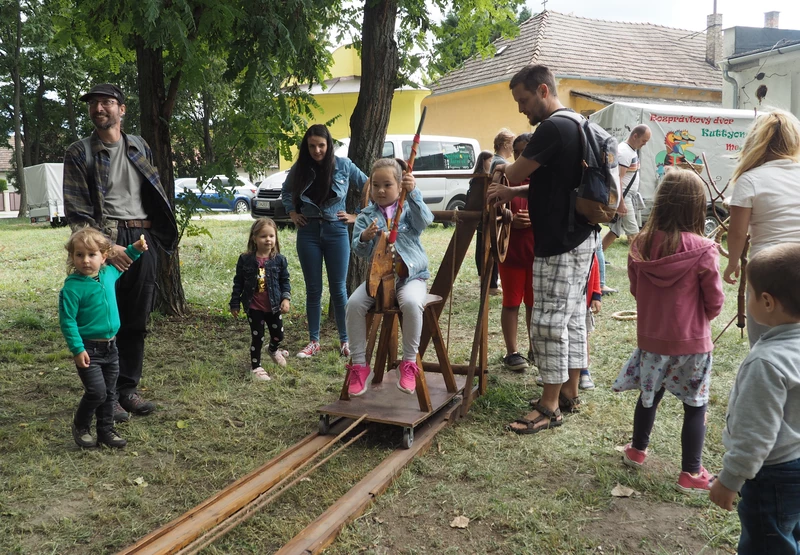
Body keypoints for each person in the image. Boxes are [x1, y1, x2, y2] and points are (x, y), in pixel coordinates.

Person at [488, 65, 598, 434]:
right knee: (571, 318)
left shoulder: (551, 127)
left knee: (548, 322)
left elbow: (517, 172)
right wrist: (514, 194)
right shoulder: (576, 123)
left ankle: (549, 406)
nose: (521, 109)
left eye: (523, 100)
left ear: (542, 90)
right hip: (581, 234)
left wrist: (502, 175)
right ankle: (569, 390)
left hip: (559, 241)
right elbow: (552, 184)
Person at [63, 83, 178, 423]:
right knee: (103, 324)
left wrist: (152, 238)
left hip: (143, 238)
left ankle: (127, 390)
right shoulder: (79, 152)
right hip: (104, 240)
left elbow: (153, 192)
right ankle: (107, 398)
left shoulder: (140, 146)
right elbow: (77, 211)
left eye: (107, 102)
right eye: (94, 103)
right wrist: (105, 247)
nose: (99, 108)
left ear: (121, 110)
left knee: (136, 319)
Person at [612, 169, 724, 493]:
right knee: (695, 405)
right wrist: (702, 320)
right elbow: (715, 301)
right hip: (693, 344)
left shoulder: (640, 245)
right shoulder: (704, 249)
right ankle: (691, 472)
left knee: (649, 397)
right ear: (696, 207)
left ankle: (636, 450)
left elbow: (636, 290)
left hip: (651, 342)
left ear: (661, 201)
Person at [709, 243, 800, 554]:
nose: (746, 301)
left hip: (773, 474)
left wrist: (730, 479)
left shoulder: (767, 363)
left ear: (766, 302)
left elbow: (755, 433)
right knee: (790, 533)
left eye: (748, 294)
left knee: (766, 543)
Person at [344, 158, 434, 396]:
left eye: (387, 185)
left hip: (410, 278)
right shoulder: (366, 215)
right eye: (376, 185)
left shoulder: (408, 207)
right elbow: (359, 250)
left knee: (412, 303)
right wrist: (364, 237)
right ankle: (360, 365)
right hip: (380, 281)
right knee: (353, 304)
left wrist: (413, 194)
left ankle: (408, 363)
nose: (381, 190)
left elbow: (425, 221)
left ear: (399, 185)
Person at [282, 124, 367, 358]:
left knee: (339, 290)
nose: (317, 150)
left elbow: (368, 185)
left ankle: (345, 341)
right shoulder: (300, 168)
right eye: (312, 146)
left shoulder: (344, 165)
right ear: (306, 147)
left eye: (321, 145)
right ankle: (313, 341)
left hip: (336, 230)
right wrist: (291, 213)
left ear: (329, 144)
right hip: (308, 232)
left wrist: (357, 215)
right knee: (313, 290)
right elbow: (286, 191)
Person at [59, 227, 148, 449]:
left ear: (104, 256)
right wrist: (78, 349)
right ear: (72, 257)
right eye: (79, 255)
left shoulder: (109, 273)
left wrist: (135, 249)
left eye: (92, 255)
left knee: (109, 393)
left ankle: (106, 431)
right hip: (89, 350)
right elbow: (67, 321)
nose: (85, 260)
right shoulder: (72, 288)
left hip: (111, 348)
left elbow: (127, 258)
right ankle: (81, 425)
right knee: (96, 392)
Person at [722, 109, 800, 347]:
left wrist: (733, 263)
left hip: (767, 266)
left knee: (764, 341)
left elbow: (737, 232)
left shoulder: (750, 179)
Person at [230, 218, 291, 381]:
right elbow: (239, 282)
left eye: (272, 236)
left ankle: (272, 350)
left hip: (273, 306)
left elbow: (285, 281)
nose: (268, 239)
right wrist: (234, 302)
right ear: (254, 238)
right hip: (254, 306)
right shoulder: (245, 259)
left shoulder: (279, 260)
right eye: (264, 236)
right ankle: (256, 367)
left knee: (279, 335)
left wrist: (286, 298)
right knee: (258, 336)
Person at [498, 133, 534, 372]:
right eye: (518, 152)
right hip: (510, 253)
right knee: (512, 302)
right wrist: (510, 221)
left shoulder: (544, 181)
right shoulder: (504, 179)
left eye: (527, 153)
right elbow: (492, 211)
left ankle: (536, 347)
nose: (522, 157)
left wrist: (535, 219)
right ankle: (512, 352)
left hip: (537, 253)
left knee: (534, 303)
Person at [470, 150, 500, 295]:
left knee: (488, 251)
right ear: (483, 162)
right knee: (483, 251)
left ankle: (490, 282)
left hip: (488, 220)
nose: (491, 163)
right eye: (489, 161)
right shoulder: (481, 179)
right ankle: (489, 283)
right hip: (483, 220)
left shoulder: (484, 178)